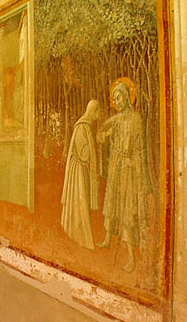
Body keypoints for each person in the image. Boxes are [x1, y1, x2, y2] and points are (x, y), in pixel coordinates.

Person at [96, 82, 152, 273]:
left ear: (128, 97)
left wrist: (136, 166)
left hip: (129, 168)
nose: (117, 101)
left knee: (128, 209)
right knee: (112, 202)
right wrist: (105, 136)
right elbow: (99, 134)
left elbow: (141, 148)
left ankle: (131, 257)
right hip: (116, 166)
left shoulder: (136, 119)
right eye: (115, 99)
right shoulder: (116, 119)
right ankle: (107, 238)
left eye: (120, 97)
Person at [60, 100, 100, 250]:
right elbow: (84, 154)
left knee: (81, 201)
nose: (98, 115)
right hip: (78, 171)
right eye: (97, 112)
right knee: (79, 201)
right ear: (92, 111)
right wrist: (96, 144)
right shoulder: (82, 126)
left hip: (82, 170)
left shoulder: (86, 126)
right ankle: (80, 235)